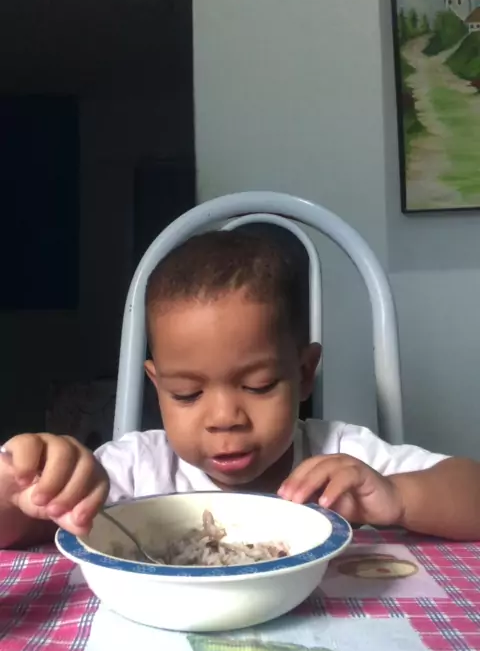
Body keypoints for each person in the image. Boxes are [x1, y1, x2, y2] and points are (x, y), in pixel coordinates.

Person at [1, 231, 479, 550]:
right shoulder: (136, 469)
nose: (224, 418)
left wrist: (397, 497)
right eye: (186, 393)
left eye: (258, 385)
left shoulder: (342, 458)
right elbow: (17, 529)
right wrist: (19, 488)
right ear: (157, 386)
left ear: (304, 373)